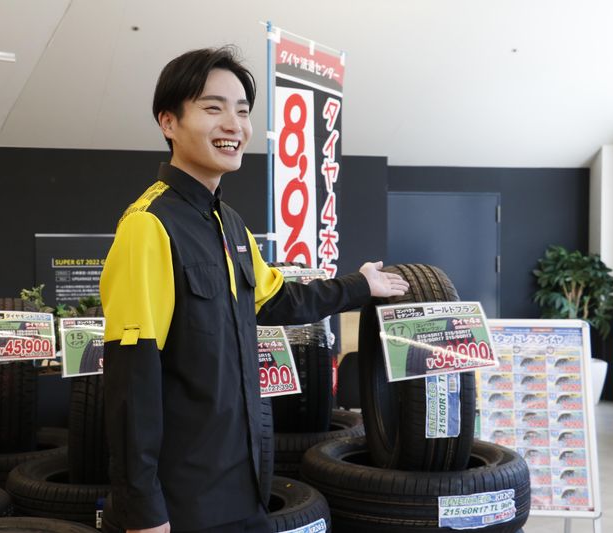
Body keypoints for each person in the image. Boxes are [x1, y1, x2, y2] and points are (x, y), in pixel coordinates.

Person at [99, 46, 408, 533]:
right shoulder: (148, 226)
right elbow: (130, 381)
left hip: (244, 487)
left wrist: (359, 286)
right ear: (168, 122)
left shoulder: (231, 225)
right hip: (183, 504)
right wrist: (142, 511)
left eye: (242, 111)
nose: (234, 125)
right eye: (213, 107)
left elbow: (280, 299)